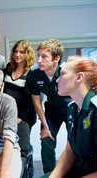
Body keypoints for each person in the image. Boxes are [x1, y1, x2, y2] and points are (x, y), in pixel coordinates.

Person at [41, 56, 97, 178]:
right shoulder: (73, 109)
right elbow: (69, 151)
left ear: (79, 77)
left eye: (62, 74)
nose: (57, 80)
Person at [25, 39, 72, 173]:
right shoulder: (34, 74)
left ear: (56, 58)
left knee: (76, 141)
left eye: (44, 56)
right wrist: (45, 126)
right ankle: (49, 173)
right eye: (38, 55)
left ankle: (76, 171)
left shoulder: (67, 72)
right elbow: (36, 101)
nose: (39, 60)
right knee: (46, 139)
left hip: (71, 109)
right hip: (52, 110)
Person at [2, 40, 37, 176]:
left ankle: (27, 170)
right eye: (16, 51)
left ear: (27, 54)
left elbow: (28, 100)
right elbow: (3, 90)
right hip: (8, 111)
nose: (17, 54)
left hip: (25, 114)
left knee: (23, 145)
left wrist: (19, 117)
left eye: (21, 52)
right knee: (8, 142)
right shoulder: (8, 67)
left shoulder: (31, 74)